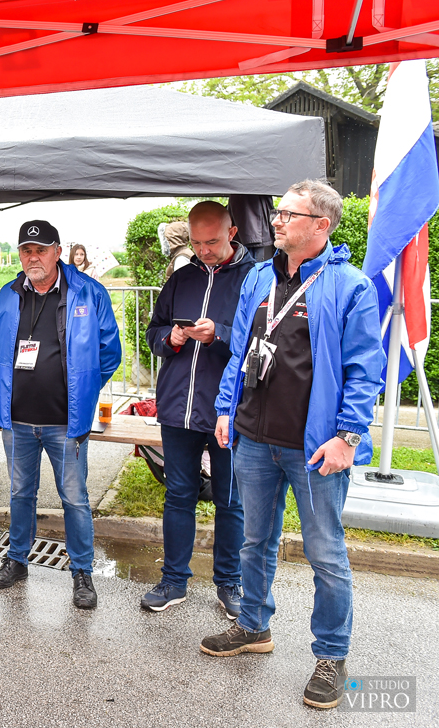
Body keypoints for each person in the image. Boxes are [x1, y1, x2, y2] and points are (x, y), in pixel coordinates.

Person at [202, 181, 384, 710]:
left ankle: (331, 656)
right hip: (254, 439)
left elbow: (364, 372)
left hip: (314, 448)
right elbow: (241, 351)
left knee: (325, 554)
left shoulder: (351, 286)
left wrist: (347, 437)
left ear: (321, 225)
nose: (277, 220)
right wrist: (224, 408)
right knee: (255, 541)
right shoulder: (260, 276)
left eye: (288, 213)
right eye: (277, 212)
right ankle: (253, 626)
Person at [0, 220, 121, 607]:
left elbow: (109, 352)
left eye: (41, 250)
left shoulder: (89, 292)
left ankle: (82, 572)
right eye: (26, 250)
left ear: (58, 252)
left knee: (74, 498)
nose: (33, 257)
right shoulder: (8, 294)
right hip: (17, 419)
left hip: (66, 421)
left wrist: (84, 388)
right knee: (20, 493)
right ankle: (17, 560)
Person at [143, 201, 253, 616]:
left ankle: (230, 583)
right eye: (196, 242)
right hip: (177, 408)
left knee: (230, 500)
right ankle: (173, 580)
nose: (203, 250)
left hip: (229, 410)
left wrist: (219, 334)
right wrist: (168, 339)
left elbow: (259, 341)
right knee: (178, 495)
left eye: (212, 242)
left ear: (232, 232)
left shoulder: (255, 277)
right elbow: (153, 332)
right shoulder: (181, 277)